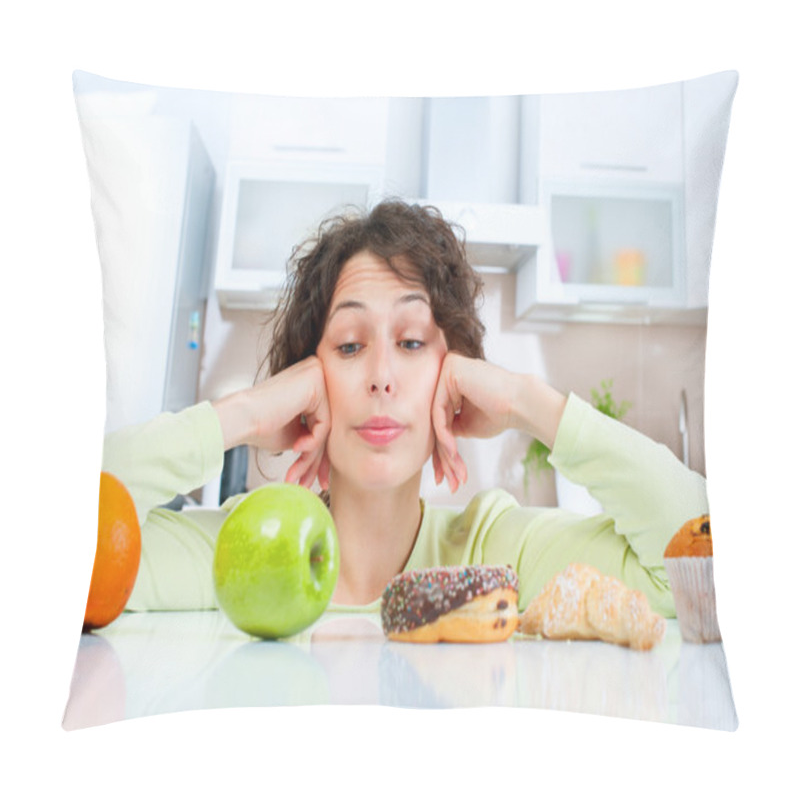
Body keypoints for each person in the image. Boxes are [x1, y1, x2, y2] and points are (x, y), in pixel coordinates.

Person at [102, 199, 708, 616]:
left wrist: (528, 402)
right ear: (306, 382)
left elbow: (702, 566)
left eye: (413, 343)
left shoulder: (496, 555)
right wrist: (244, 416)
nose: (383, 377)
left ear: (457, 382)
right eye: (349, 346)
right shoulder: (244, 551)